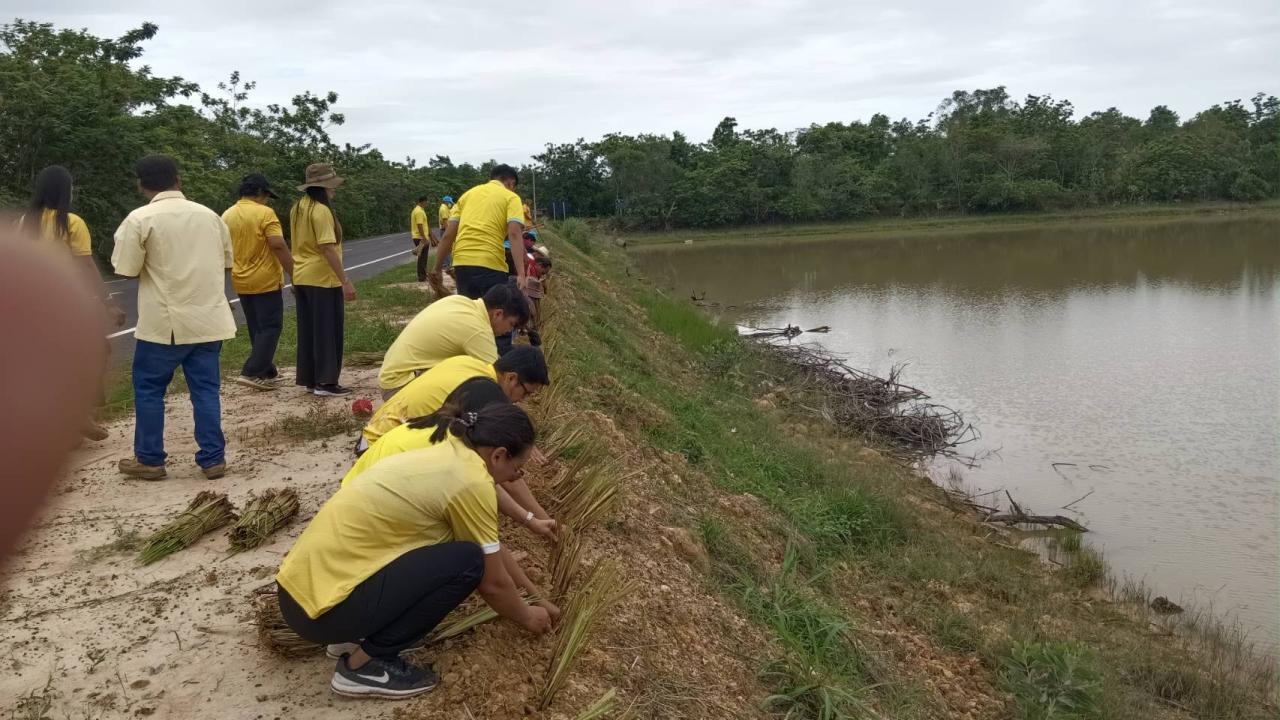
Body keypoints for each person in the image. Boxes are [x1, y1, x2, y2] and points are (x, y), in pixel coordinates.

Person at [275, 401, 557, 699]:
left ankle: (354, 637)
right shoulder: (470, 482)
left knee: (457, 554)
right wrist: (527, 616)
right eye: (517, 469)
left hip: (302, 595)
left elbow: (492, 546)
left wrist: (535, 595)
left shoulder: (449, 451)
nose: (516, 478)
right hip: (325, 613)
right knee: (466, 562)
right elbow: (493, 581)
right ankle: (365, 665)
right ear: (499, 455)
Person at [112, 155, 236, 481]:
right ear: (177, 180)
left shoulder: (140, 219)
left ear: (141, 184)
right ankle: (213, 459)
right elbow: (226, 262)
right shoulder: (210, 216)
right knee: (205, 391)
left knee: (150, 388)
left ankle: (150, 459)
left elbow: (125, 270)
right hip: (209, 320)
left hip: (165, 324)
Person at [344, 377, 557, 540]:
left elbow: (490, 484)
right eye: (518, 469)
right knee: (455, 541)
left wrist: (532, 520)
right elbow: (491, 571)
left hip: (351, 500)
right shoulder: (453, 457)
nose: (516, 476)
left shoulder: (448, 429)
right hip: (360, 527)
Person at [21, 165, 126, 439]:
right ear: (65, 190)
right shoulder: (71, 222)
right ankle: (79, 414)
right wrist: (108, 302)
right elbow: (86, 266)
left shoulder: (24, 222)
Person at [362, 345, 549, 448]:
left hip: (373, 434)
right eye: (525, 393)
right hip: (380, 449)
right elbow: (493, 466)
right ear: (511, 378)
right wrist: (535, 516)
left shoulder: (469, 362)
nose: (521, 401)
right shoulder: (487, 395)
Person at [377, 283, 529, 399]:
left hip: (392, 375)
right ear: (498, 314)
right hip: (399, 388)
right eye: (512, 325)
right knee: (477, 397)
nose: (509, 331)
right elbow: (497, 380)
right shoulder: (478, 329)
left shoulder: (460, 301)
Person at [291, 163, 356, 397]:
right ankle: (327, 382)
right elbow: (327, 248)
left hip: (302, 275)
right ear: (325, 187)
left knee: (309, 330)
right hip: (322, 277)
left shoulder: (298, 207)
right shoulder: (321, 211)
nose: (334, 190)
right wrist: (345, 280)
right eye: (332, 186)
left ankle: (311, 378)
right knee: (328, 330)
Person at [224, 173, 292, 391]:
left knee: (256, 326)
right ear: (261, 193)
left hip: (240, 279)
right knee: (271, 326)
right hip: (264, 279)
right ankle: (251, 371)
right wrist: (294, 273)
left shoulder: (227, 215)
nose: (267, 201)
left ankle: (267, 370)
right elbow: (278, 244)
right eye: (266, 196)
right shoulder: (265, 213)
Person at [429, 165, 527, 300]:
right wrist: (521, 274)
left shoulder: (466, 196)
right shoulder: (511, 197)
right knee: (493, 316)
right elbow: (514, 234)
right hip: (491, 264)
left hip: (462, 265)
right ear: (511, 183)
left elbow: (447, 236)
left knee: (471, 314)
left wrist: (437, 268)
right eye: (513, 186)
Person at [410, 195, 431, 282]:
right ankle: (422, 276)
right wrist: (424, 237)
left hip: (420, 236)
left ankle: (422, 275)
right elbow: (419, 225)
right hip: (420, 237)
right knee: (422, 257)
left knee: (422, 256)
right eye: (426, 202)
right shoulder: (419, 211)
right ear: (422, 202)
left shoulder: (419, 210)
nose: (427, 204)